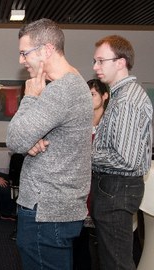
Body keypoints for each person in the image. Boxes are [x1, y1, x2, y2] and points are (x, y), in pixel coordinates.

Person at [6, 18, 93, 270]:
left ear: (46, 50)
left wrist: (30, 97)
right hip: (58, 208)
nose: (21, 61)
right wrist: (30, 140)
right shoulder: (74, 83)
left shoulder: (60, 90)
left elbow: (15, 139)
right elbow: (29, 139)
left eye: (24, 53)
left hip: (46, 211)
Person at [91, 35, 153, 270]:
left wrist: (85, 153)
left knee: (116, 263)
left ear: (120, 62)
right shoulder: (122, 95)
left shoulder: (127, 99)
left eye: (100, 60)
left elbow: (124, 159)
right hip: (115, 188)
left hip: (117, 188)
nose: (95, 67)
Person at [73, 79, 109, 270]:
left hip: (102, 186)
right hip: (80, 186)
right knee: (79, 240)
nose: (88, 98)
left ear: (104, 96)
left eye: (93, 94)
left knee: (104, 244)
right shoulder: (80, 123)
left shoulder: (109, 124)